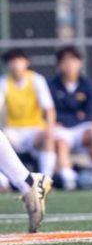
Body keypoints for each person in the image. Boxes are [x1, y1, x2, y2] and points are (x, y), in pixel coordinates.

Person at [48, 45, 92, 189]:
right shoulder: (51, 85)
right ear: (59, 65)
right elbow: (52, 112)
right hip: (61, 129)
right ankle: (68, 178)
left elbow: (89, 115)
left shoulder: (88, 85)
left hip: (80, 128)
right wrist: (74, 116)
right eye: (65, 61)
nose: (69, 65)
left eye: (73, 60)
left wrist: (66, 118)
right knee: (61, 141)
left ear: (79, 63)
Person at [1, 49, 58, 186]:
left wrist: (49, 128)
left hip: (34, 131)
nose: (16, 65)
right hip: (13, 132)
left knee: (48, 136)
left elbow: (49, 109)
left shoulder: (36, 80)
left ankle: (44, 182)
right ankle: (4, 182)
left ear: (26, 62)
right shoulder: (4, 82)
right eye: (12, 61)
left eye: (19, 61)